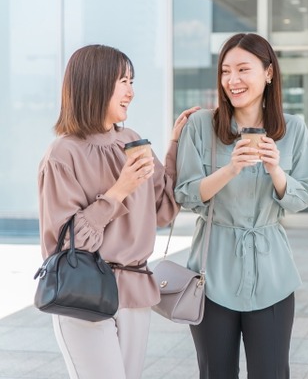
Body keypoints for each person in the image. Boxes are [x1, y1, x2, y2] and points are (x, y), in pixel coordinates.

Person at [38, 44, 198, 379]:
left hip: (134, 291)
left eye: (132, 81)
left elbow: (163, 208)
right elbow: (67, 245)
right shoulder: (63, 154)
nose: (131, 91)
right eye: (123, 81)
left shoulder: (132, 140)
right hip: (84, 293)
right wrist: (120, 190)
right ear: (95, 83)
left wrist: (175, 145)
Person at [174, 33, 308, 378]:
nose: (232, 80)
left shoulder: (293, 129)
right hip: (210, 275)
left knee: (271, 372)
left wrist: (275, 170)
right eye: (226, 71)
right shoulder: (201, 126)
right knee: (215, 373)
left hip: (273, 275)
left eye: (243, 69)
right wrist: (231, 168)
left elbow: (306, 194)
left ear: (269, 73)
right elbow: (185, 193)